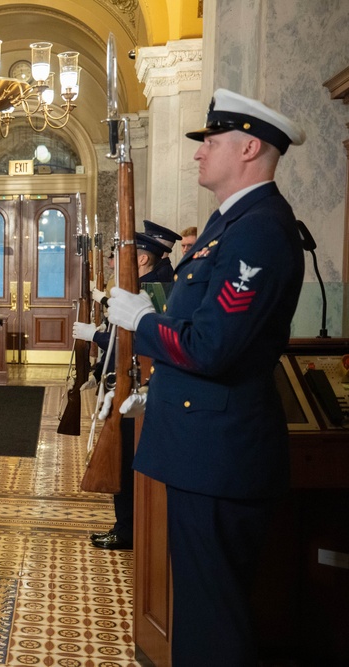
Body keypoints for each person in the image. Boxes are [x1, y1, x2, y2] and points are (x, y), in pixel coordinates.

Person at [107, 88, 305, 666]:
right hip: (202, 448)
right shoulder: (231, 225)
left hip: (220, 456)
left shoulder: (259, 230)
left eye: (211, 142)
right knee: (198, 612)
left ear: (248, 148)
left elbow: (211, 347)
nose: (199, 153)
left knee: (213, 624)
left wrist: (144, 324)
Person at [74, 233, 172, 550]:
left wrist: (98, 338)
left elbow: (136, 339)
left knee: (126, 458)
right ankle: (126, 524)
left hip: (140, 385)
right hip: (128, 380)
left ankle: (128, 528)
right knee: (122, 456)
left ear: (142, 259)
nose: (115, 261)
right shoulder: (144, 285)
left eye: (122, 254)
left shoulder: (154, 288)